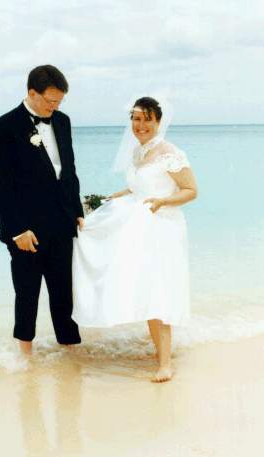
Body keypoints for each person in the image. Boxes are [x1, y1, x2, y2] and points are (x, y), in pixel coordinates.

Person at [72, 96, 197, 382]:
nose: (140, 125)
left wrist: (163, 201)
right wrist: (106, 201)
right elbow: (135, 188)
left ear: (158, 121)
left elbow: (190, 190)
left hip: (162, 227)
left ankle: (165, 364)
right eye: (136, 119)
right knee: (146, 286)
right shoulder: (138, 154)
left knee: (159, 289)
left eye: (147, 119)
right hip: (139, 227)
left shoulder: (170, 153)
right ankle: (158, 352)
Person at [0, 65, 84, 355]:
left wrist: (77, 210)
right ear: (31, 92)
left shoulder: (63, 122)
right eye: (50, 101)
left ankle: (70, 353)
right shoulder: (4, 126)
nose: (54, 107)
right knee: (27, 292)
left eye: (59, 102)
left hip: (62, 222)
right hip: (26, 228)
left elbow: (69, 170)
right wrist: (16, 230)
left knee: (64, 293)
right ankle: (24, 359)